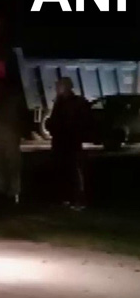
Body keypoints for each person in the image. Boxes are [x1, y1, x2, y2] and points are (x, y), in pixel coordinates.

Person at [46, 77, 91, 211]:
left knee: (74, 171)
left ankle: (78, 200)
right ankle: (66, 198)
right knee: (63, 171)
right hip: (61, 142)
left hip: (71, 142)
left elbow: (83, 122)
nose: (56, 89)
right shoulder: (60, 102)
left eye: (58, 86)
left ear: (65, 87)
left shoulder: (76, 103)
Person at [0, 78, 26, 204]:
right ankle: (6, 190)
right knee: (2, 163)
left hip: (8, 132)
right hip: (3, 132)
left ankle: (11, 191)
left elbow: (21, 117)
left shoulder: (10, 101)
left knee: (9, 163)